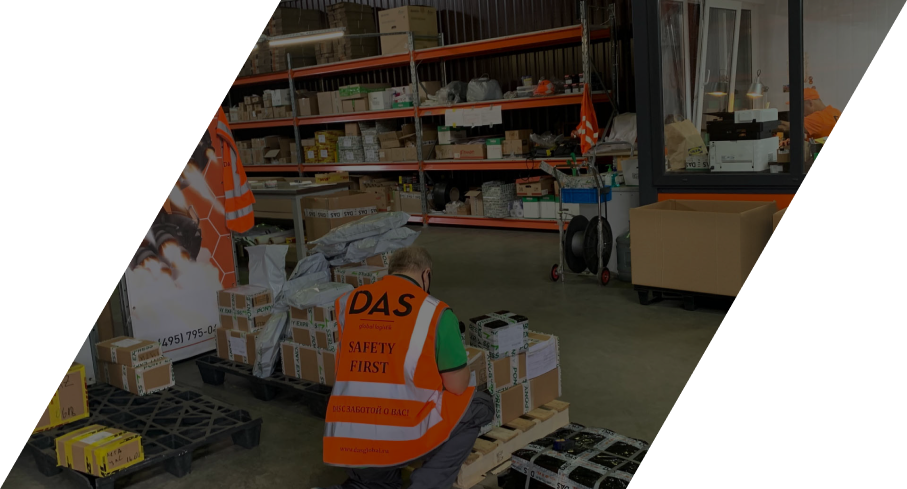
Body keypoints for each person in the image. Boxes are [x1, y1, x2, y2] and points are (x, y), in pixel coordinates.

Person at [315, 246, 494, 489]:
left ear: (392, 271)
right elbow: (457, 386)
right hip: (398, 438)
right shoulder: (435, 311)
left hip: (349, 439)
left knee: (376, 483)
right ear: (426, 275)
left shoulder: (349, 302)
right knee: (479, 404)